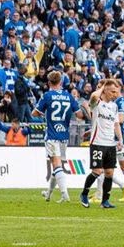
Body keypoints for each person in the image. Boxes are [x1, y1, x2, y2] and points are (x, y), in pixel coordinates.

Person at [80, 79, 124, 209]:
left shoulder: (114, 106)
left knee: (109, 173)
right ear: (105, 90)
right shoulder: (97, 103)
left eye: (116, 92)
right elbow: (94, 96)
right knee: (97, 171)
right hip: (98, 142)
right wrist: (103, 86)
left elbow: (116, 124)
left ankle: (105, 201)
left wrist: (120, 140)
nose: (114, 95)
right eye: (112, 91)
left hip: (110, 143)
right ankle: (84, 193)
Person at [34, 69, 76, 203]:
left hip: (52, 135)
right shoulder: (69, 96)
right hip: (64, 135)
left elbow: (35, 113)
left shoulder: (47, 96)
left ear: (48, 82)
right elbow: (79, 113)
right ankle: (49, 194)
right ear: (61, 82)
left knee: (56, 165)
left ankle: (65, 194)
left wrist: (45, 114)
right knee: (56, 165)